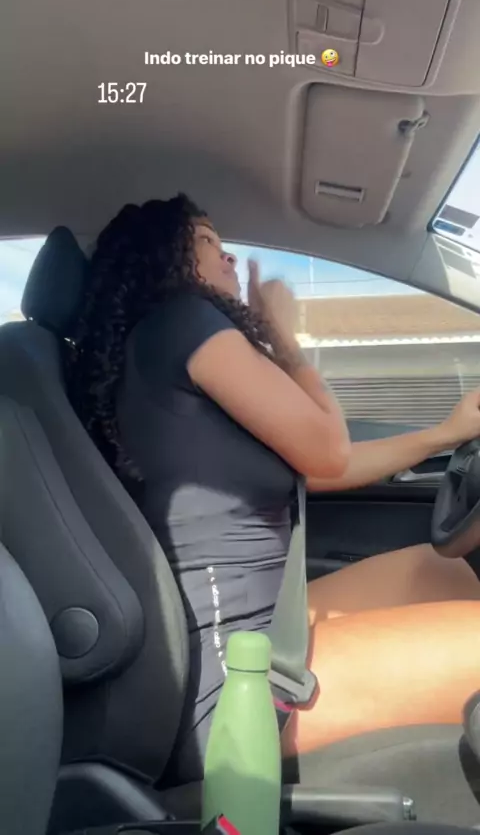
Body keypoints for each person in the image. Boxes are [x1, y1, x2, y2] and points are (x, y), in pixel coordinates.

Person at [64, 194, 480, 784]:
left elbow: (321, 468)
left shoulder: (159, 350)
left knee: (442, 570)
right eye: (206, 240)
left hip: (263, 627)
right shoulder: (184, 321)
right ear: (162, 259)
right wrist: (284, 337)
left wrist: (445, 434)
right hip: (233, 689)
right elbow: (329, 448)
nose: (229, 256)